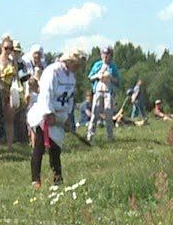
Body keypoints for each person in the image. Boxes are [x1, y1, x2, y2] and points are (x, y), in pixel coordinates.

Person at [27, 48, 86, 187]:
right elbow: (46, 93)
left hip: (59, 115)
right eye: (77, 64)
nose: (78, 68)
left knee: (55, 149)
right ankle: (36, 180)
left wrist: (66, 118)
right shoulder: (52, 71)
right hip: (45, 114)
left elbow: (70, 99)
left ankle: (57, 180)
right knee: (39, 147)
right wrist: (49, 113)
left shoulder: (71, 77)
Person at [87, 46, 121, 142]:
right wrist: (97, 76)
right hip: (98, 91)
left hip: (108, 92)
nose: (105, 56)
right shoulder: (97, 65)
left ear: (110, 55)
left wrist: (110, 77)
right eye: (103, 54)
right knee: (94, 113)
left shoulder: (113, 67)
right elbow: (90, 77)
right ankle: (90, 136)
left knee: (109, 114)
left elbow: (118, 81)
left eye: (107, 54)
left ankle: (110, 137)